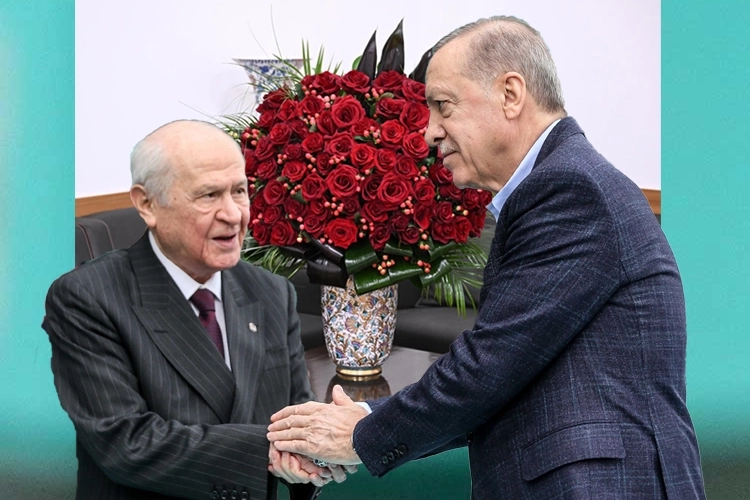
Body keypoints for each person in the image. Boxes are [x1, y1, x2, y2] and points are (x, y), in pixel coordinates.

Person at [267, 16, 707, 499]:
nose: (429, 133)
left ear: (510, 94)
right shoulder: (560, 184)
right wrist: (362, 424)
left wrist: (358, 436)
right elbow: (507, 378)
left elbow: (490, 367)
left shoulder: (570, 189)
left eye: (443, 106)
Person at [43, 120, 346, 500]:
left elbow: (294, 416)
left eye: (239, 191)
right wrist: (266, 452)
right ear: (147, 204)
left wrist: (317, 451)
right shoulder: (88, 297)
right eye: (209, 195)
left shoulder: (271, 292)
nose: (233, 214)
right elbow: (124, 442)